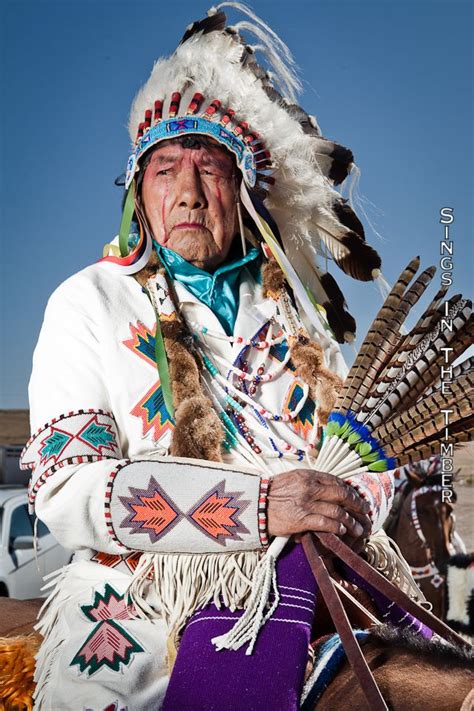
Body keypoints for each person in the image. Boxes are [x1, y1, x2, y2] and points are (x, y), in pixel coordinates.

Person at [21, 7, 406, 710]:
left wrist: (354, 498)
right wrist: (260, 507)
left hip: (317, 599)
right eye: (166, 168)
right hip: (138, 607)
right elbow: (69, 488)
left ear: (244, 194)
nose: (189, 190)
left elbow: (368, 465)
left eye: (210, 168)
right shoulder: (89, 302)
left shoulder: (299, 326)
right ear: (140, 191)